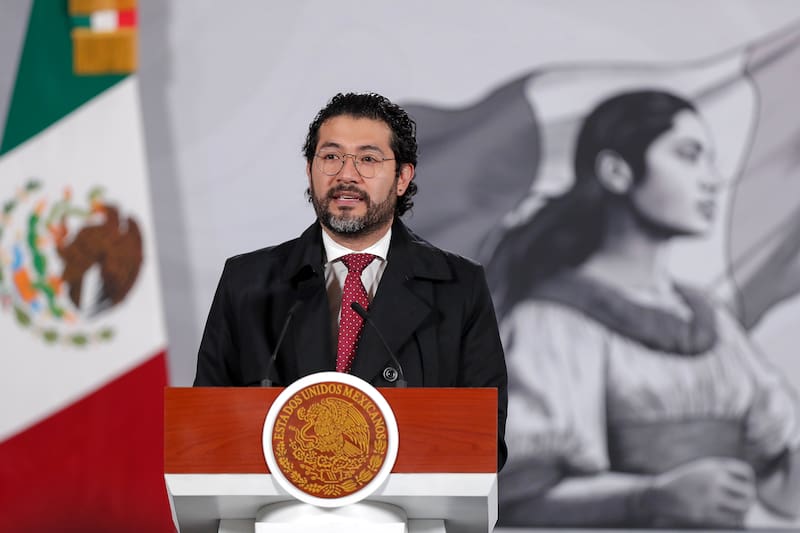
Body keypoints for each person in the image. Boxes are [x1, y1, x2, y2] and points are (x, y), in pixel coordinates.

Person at [488, 90, 800, 527]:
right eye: (689, 156)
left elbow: (781, 475)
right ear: (617, 172)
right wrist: (652, 498)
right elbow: (516, 497)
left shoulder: (712, 322)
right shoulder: (552, 323)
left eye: (710, 159)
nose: (712, 179)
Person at [194, 92, 508, 468]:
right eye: (330, 157)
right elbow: (206, 430)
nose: (346, 174)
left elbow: (484, 441)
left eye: (368, 159)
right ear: (310, 170)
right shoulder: (247, 283)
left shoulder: (458, 287)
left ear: (402, 178)